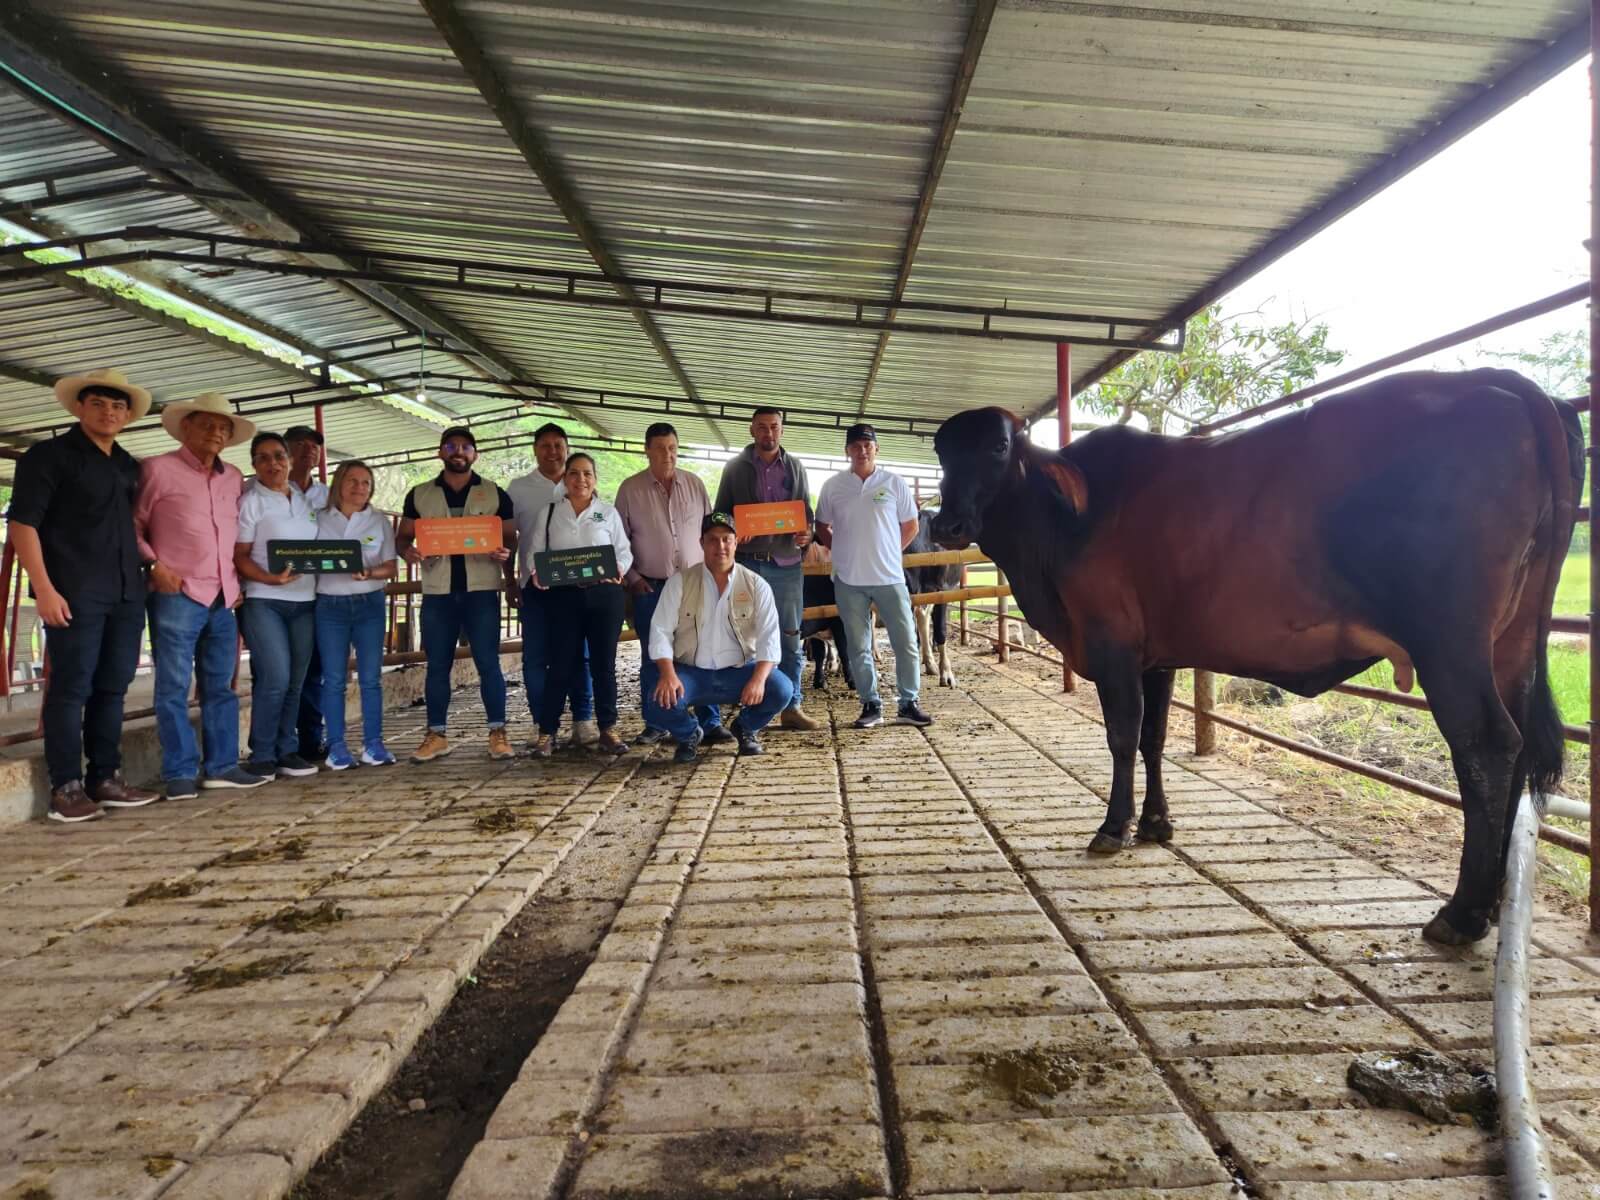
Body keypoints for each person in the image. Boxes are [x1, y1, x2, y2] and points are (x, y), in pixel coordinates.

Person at [7, 368, 161, 822]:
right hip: (74, 590)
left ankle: (105, 778)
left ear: (128, 415)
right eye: (98, 404)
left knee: (113, 685)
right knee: (71, 687)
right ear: (78, 407)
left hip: (125, 591)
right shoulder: (49, 456)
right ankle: (66, 787)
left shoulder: (127, 464)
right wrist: (45, 590)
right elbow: (22, 525)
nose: (109, 413)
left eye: (117, 406)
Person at [134, 391, 270, 797]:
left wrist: (238, 583)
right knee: (173, 687)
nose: (216, 432)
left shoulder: (233, 479)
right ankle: (179, 773)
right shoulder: (156, 470)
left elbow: (235, 536)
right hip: (176, 593)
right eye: (207, 424)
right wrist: (154, 565)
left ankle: (222, 766)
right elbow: (131, 523)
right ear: (185, 427)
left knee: (220, 686)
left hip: (224, 596)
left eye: (223, 427)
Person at [396, 426, 517, 763]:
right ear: (440, 452)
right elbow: (403, 539)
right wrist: (410, 553)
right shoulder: (419, 494)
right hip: (438, 593)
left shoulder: (495, 493)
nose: (458, 452)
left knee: (489, 664)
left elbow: (510, 540)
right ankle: (436, 735)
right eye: (451, 446)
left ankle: (498, 732)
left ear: (475, 454)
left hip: (482, 592)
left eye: (466, 447)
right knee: (437, 665)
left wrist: (507, 566)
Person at [645, 512, 793, 764]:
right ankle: (689, 734)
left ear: (736, 542)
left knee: (781, 689)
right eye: (713, 539)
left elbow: (770, 638)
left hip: (739, 672)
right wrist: (668, 675)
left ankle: (745, 727)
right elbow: (660, 630)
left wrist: (758, 679)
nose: (720, 546)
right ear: (701, 543)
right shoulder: (679, 582)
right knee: (657, 701)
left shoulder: (757, 585)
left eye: (727, 539)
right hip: (691, 673)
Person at [614, 421, 725, 747]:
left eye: (673, 448)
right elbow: (619, 541)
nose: (668, 454)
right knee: (654, 656)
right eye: (660, 448)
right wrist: (633, 579)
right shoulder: (630, 489)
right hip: (650, 586)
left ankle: (711, 721)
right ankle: (657, 722)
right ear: (646, 450)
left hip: (694, 585)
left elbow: (710, 535)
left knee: (703, 651)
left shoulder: (695, 484)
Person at [815, 423, 933, 730]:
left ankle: (908, 703)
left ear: (876, 449)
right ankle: (870, 704)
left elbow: (911, 525)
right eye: (855, 446)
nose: (861, 450)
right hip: (849, 579)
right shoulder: (833, 486)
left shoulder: (894, 482)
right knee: (858, 645)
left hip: (890, 577)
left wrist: (892, 552)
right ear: (847, 452)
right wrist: (840, 550)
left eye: (867, 445)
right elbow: (821, 526)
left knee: (906, 640)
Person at [713, 407, 819, 731]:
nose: (768, 433)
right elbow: (719, 516)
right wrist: (733, 529)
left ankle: (791, 706)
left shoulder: (796, 467)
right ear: (752, 430)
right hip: (747, 564)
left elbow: (806, 515)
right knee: (742, 636)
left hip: (787, 565)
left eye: (774, 427)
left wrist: (808, 533)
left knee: (789, 635)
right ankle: (749, 707)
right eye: (762, 427)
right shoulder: (734, 469)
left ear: (782, 431)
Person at [525, 453, 632, 758]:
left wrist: (620, 568)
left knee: (604, 667)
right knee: (560, 665)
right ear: (564, 479)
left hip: (604, 596)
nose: (580, 480)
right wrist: (537, 573)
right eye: (574, 473)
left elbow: (624, 551)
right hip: (563, 597)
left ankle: (608, 730)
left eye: (587, 474)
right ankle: (547, 733)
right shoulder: (548, 513)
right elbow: (535, 552)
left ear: (595, 479)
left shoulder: (607, 513)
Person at [235, 431, 325, 780]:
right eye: (263, 458)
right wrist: (269, 579)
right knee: (275, 676)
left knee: (296, 681)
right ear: (254, 464)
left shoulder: (304, 501)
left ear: (289, 460)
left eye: (278, 456)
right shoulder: (250, 502)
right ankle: (262, 753)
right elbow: (240, 556)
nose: (273, 463)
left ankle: (287, 750)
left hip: (305, 600)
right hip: (264, 600)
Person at [507, 422, 595, 746]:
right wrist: (511, 581)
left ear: (567, 449)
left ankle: (583, 720)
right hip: (536, 585)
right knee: (535, 658)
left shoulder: (583, 483)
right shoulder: (518, 488)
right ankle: (542, 722)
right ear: (535, 450)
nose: (552, 451)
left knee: (578, 655)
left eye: (558, 445)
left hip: (578, 588)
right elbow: (510, 538)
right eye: (545, 445)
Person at [314, 459, 398, 770]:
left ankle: (373, 744)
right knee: (334, 679)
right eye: (353, 481)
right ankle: (336, 746)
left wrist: (369, 571)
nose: (359, 487)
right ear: (339, 484)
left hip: (369, 604)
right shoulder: (320, 519)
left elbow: (391, 566)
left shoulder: (379, 521)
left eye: (366, 482)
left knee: (371, 679)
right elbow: (307, 557)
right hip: (330, 606)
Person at [284, 424, 328, 762]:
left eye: (314, 446)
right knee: (273, 672)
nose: (308, 450)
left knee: (313, 671)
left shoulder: (327, 495)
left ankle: (311, 741)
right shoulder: (262, 490)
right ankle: (274, 744)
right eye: (300, 444)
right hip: (268, 593)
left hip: (316, 592)